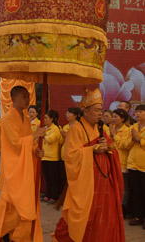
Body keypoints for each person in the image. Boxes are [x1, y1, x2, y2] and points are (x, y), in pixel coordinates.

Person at [52, 88, 124, 242]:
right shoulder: (75, 130)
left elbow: (112, 149)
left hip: (103, 182)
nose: (100, 114)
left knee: (103, 216)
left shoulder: (101, 130)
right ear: (86, 112)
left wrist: (108, 146)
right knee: (86, 216)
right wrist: (92, 149)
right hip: (86, 183)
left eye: (101, 110)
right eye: (97, 110)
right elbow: (70, 156)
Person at [0, 86, 45, 242]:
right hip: (12, 166)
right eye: (23, 96)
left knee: (24, 203)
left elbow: (27, 144)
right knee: (12, 203)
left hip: (25, 166)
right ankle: (3, 232)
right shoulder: (7, 118)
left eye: (27, 96)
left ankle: (18, 235)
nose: (27, 100)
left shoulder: (25, 118)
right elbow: (15, 143)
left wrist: (36, 151)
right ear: (13, 98)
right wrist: (36, 135)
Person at [126, 104, 145, 228]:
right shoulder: (132, 127)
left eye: (141, 112)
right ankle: (138, 216)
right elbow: (126, 145)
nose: (137, 114)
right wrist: (133, 139)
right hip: (132, 164)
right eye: (136, 112)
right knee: (136, 192)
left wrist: (139, 140)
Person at [111, 108, 132, 217]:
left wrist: (114, 136)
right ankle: (114, 206)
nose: (113, 119)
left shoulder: (127, 130)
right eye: (112, 116)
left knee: (124, 188)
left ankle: (123, 208)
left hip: (123, 162)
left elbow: (125, 145)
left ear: (122, 119)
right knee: (114, 187)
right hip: (112, 161)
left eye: (115, 117)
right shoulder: (111, 128)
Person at [41, 110, 63, 204]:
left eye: (46, 118)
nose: (44, 120)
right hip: (44, 156)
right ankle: (48, 194)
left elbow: (50, 139)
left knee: (54, 178)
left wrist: (43, 134)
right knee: (47, 177)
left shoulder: (55, 129)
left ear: (52, 119)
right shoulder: (45, 128)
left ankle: (54, 196)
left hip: (53, 157)